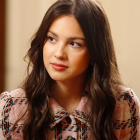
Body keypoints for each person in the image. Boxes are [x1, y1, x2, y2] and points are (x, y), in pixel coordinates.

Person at [0, 0, 140, 139]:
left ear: (94, 51)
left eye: (74, 44)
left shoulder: (123, 104)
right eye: (52, 39)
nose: (59, 54)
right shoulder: (12, 107)